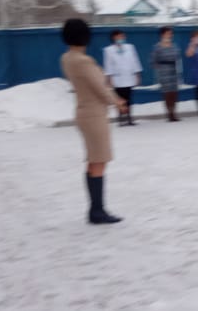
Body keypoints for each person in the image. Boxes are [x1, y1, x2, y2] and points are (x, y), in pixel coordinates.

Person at [59, 19, 126, 225]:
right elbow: (100, 88)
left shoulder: (67, 58)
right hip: (94, 115)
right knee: (99, 161)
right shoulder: (83, 61)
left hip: (84, 112)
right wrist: (117, 102)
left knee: (93, 161)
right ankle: (97, 211)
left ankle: (95, 209)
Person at [103, 30, 143, 126]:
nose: (121, 38)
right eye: (119, 36)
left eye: (122, 36)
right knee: (119, 99)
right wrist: (109, 78)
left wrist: (137, 75)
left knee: (129, 98)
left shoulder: (130, 47)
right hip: (117, 78)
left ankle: (129, 118)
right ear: (114, 38)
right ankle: (121, 118)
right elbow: (108, 64)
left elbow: (135, 61)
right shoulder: (109, 50)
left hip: (129, 77)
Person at [151, 26, 182, 122]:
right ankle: (169, 113)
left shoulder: (174, 45)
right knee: (167, 93)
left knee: (174, 92)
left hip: (174, 70)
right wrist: (159, 69)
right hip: (163, 72)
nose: (170, 35)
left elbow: (178, 56)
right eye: (168, 33)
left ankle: (174, 112)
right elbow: (153, 60)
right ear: (162, 34)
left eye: (171, 33)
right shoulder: (157, 47)